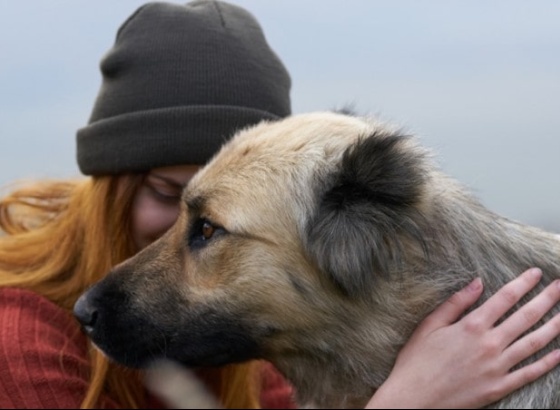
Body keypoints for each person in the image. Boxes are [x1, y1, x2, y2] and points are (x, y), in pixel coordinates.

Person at [0, 1, 558, 409]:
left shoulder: (265, 370)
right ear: (106, 188)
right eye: (166, 195)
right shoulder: (17, 349)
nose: (172, 231)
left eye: (207, 230)